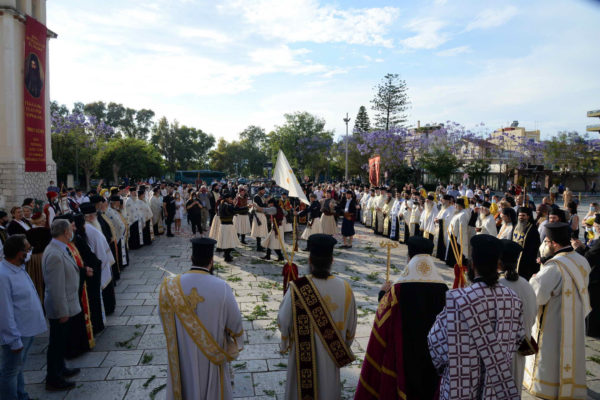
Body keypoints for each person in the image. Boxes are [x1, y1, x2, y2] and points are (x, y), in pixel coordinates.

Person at [428, 234, 524, 399]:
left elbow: (435, 342)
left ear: (472, 265)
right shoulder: (513, 299)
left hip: (460, 386)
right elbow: (519, 338)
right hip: (495, 387)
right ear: (498, 265)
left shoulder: (458, 300)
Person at [355, 236, 448, 400]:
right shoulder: (444, 290)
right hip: (433, 364)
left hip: (404, 360)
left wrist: (382, 295)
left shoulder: (397, 290)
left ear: (409, 257)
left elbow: (383, 322)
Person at [159, 237, 243, 400]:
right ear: (211, 261)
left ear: (191, 258)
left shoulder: (169, 286)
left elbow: (164, 320)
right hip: (212, 359)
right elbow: (236, 326)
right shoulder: (222, 287)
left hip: (182, 357)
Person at [278, 234, 357, 400]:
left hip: (301, 362)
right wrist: (337, 343)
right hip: (331, 359)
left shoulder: (297, 288)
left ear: (309, 260)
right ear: (332, 260)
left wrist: (287, 342)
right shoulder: (345, 288)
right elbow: (350, 330)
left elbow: (283, 322)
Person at [525, 222, 591, 399]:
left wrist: (534, 279)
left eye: (546, 241)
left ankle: (548, 387)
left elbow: (537, 296)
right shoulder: (581, 260)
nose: (545, 245)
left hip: (554, 321)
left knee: (551, 354)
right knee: (571, 353)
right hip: (575, 318)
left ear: (554, 243)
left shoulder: (554, 267)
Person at [0, 235, 47, 400]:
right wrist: (13, 339)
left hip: (27, 330)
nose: (30, 252)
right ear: (19, 253)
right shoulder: (3, 275)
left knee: (18, 368)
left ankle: (22, 395)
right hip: (17, 333)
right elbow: (4, 311)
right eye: (28, 249)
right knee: (10, 371)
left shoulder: (18, 268)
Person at [42, 219, 82, 391]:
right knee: (56, 344)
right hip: (60, 308)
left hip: (67, 304)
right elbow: (56, 287)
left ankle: (61, 368)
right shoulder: (54, 254)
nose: (72, 232)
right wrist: (62, 311)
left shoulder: (59, 248)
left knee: (61, 342)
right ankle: (53, 378)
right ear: (66, 232)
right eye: (70, 230)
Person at [499, 239, 537, 391]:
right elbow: (532, 316)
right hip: (520, 349)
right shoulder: (527, 284)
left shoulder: (498, 286)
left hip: (500, 353)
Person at [80, 203, 116, 316]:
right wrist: (102, 262)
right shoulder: (90, 228)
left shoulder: (91, 227)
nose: (95, 217)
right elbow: (98, 249)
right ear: (89, 217)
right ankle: (108, 307)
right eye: (94, 215)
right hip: (100, 262)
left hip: (101, 261)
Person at [572, 214, 600, 337]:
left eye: (595, 226)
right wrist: (583, 246)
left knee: (592, 306)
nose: (594, 228)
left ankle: (591, 331)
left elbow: (588, 258)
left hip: (596, 279)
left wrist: (577, 249)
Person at [25, 212, 51, 304]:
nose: (45, 221)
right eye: (44, 219)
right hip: (45, 256)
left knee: (36, 279)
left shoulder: (28, 232)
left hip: (33, 257)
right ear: (41, 221)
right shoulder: (47, 231)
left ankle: (38, 299)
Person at [513, 207, 541, 281]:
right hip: (515, 257)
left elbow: (535, 247)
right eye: (519, 215)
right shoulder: (515, 226)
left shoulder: (533, 229)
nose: (521, 217)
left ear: (528, 216)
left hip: (526, 260)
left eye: (523, 215)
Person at [445, 198, 470, 267]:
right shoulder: (458, 213)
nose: (455, 207)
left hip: (457, 237)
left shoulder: (463, 214)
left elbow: (463, 228)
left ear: (460, 206)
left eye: (456, 205)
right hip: (453, 235)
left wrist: (460, 238)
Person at [217, 192, 242, 262]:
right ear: (227, 199)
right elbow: (235, 210)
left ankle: (226, 255)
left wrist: (234, 204)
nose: (231, 200)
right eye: (230, 199)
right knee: (229, 242)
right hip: (227, 226)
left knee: (226, 241)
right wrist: (235, 204)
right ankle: (227, 257)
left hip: (223, 226)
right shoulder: (226, 205)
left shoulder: (221, 204)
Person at [434, 194, 455, 260]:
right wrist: (436, 218)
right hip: (439, 228)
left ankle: (442, 256)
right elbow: (439, 215)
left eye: (443, 200)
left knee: (444, 241)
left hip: (445, 229)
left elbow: (449, 220)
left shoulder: (451, 209)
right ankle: (438, 254)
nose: (442, 202)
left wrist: (439, 221)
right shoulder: (443, 208)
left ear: (447, 201)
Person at [250, 186, 269, 251]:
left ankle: (259, 245)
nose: (264, 192)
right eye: (263, 190)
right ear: (260, 190)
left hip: (261, 214)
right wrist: (266, 203)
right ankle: (258, 247)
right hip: (258, 215)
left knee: (260, 230)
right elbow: (261, 205)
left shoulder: (261, 197)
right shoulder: (257, 197)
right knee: (258, 231)